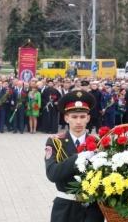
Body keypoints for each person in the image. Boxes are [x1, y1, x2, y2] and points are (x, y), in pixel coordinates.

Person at [45, 90, 104, 222]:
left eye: (82, 117)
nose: (78, 121)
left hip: (92, 209)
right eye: (74, 117)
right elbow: (52, 174)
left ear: (88, 118)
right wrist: (79, 157)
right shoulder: (55, 142)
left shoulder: (98, 143)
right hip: (65, 208)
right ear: (66, 118)